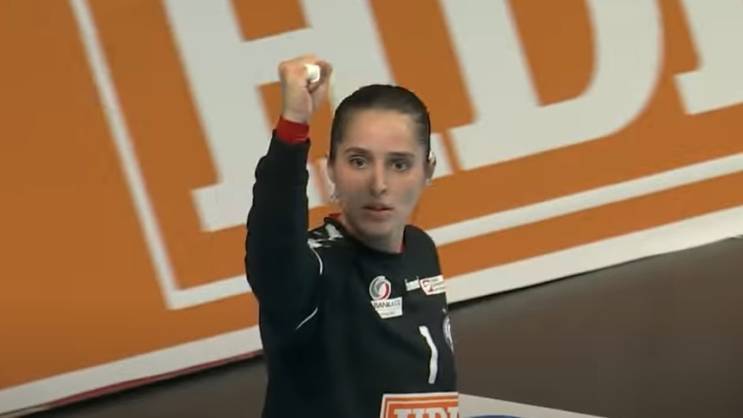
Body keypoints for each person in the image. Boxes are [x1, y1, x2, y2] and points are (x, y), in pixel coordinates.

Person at [245, 55, 459, 418]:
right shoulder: (314, 272)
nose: (379, 184)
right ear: (331, 168)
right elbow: (273, 246)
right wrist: (293, 127)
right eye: (359, 161)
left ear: (428, 170)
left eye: (399, 164)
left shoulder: (421, 248)